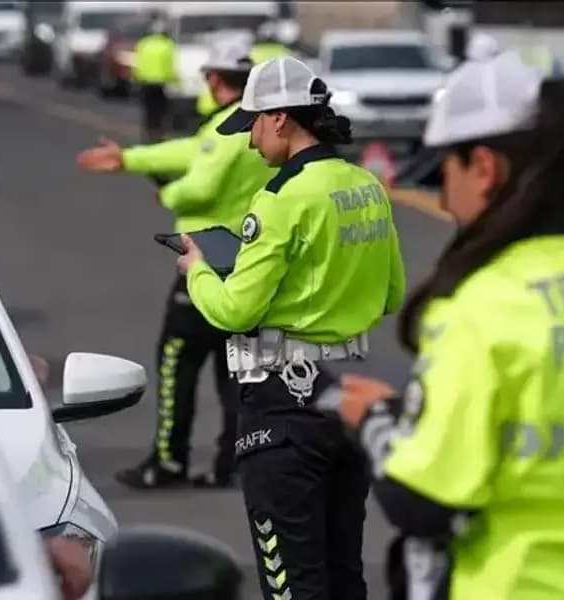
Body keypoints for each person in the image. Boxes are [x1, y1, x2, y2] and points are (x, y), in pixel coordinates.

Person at [329, 40, 564, 599]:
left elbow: (424, 498)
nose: (444, 198)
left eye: (444, 173)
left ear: (483, 168)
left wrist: (374, 420)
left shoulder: (484, 307)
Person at [176, 56, 406, 600]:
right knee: (344, 575)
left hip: (282, 404)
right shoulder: (367, 186)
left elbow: (235, 311)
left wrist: (198, 271)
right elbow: (391, 294)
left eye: (253, 122)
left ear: (279, 118)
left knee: (293, 584)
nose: (250, 138)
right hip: (345, 398)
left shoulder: (281, 199)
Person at [77, 37, 277, 490]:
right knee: (237, 369)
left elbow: (199, 184)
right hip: (251, 262)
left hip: (208, 260)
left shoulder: (226, 129)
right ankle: (234, 460)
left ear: (214, 79)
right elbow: (192, 151)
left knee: (177, 360)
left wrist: (167, 194)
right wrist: (130, 159)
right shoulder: (255, 125)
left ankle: (169, 460)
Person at [132, 13, 176, 142]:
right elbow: (170, 65)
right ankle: (159, 133)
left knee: (148, 110)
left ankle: (148, 133)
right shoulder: (167, 44)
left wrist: (136, 77)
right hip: (161, 83)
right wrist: (174, 79)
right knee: (161, 111)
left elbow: (138, 63)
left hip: (145, 82)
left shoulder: (143, 44)